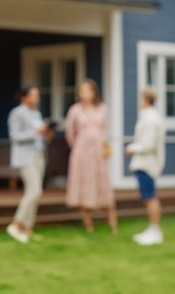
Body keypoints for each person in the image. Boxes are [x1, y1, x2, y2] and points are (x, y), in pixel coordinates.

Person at [65, 79, 117, 233]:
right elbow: (70, 133)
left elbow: (106, 130)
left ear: (94, 92)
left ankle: (113, 225)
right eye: (82, 90)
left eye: (88, 90)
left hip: (99, 153)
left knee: (103, 185)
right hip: (82, 153)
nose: (84, 94)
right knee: (85, 184)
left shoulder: (102, 109)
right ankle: (89, 226)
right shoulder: (75, 110)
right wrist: (79, 147)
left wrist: (105, 146)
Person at [6, 86, 52, 244]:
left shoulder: (37, 114)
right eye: (33, 95)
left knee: (36, 193)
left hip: (38, 155)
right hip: (24, 158)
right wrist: (36, 132)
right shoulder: (17, 113)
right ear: (24, 97)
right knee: (34, 191)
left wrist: (46, 133)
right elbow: (15, 136)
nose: (36, 98)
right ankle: (16, 224)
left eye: (37, 95)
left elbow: (40, 136)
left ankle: (27, 228)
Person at [126, 88, 167, 246]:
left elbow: (148, 144)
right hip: (146, 163)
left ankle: (155, 230)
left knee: (150, 197)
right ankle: (152, 228)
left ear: (145, 99)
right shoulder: (151, 117)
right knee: (148, 197)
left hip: (147, 164)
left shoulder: (151, 119)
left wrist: (132, 148)